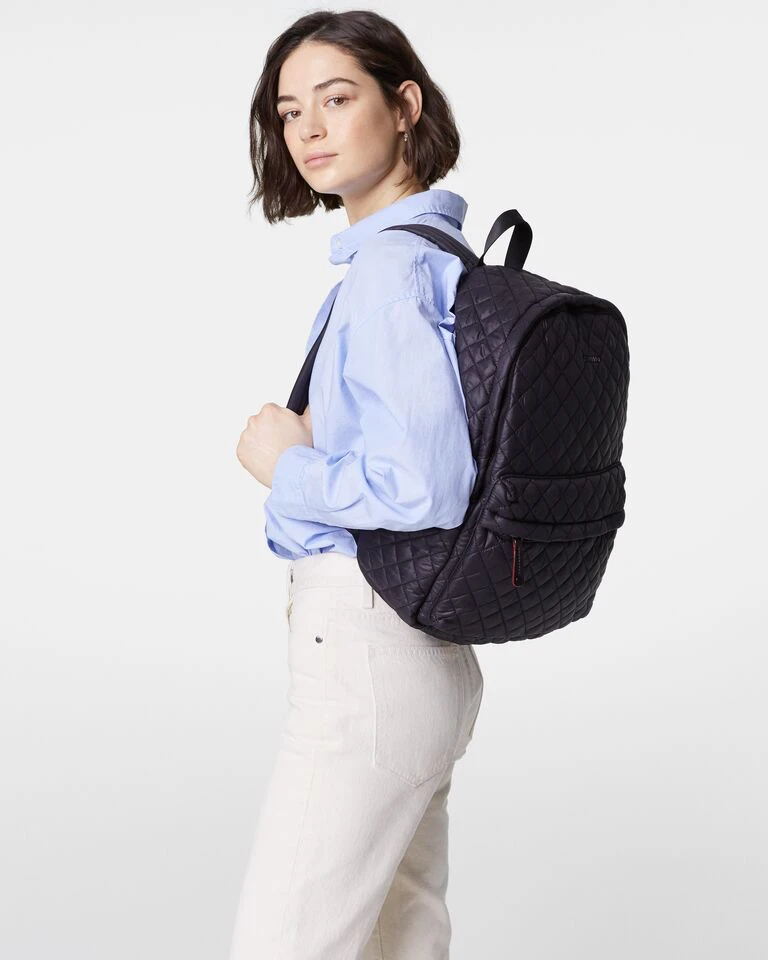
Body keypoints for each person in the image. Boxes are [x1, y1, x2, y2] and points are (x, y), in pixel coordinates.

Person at [230, 10, 484, 959]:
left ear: (404, 105)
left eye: (336, 100)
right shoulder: (437, 257)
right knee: (400, 942)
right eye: (290, 111)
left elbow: (422, 488)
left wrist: (284, 467)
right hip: (423, 652)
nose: (309, 130)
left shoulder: (388, 270)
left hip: (370, 655)